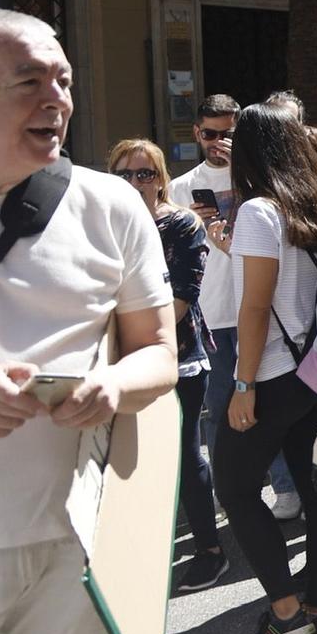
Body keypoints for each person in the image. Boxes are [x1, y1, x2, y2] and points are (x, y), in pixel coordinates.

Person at [0, 9, 178, 634]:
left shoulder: (111, 207)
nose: (56, 98)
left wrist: (114, 385)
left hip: (71, 536)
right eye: (31, 79)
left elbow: (161, 353)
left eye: (64, 79)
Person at [216, 103, 317, 634]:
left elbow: (255, 305)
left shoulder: (258, 211)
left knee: (235, 486)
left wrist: (243, 385)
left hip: (273, 373)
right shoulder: (314, 204)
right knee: (314, 485)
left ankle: (285, 609)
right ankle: (316, 604)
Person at [171, 94, 306, 521]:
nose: (217, 142)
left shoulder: (258, 180)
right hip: (213, 311)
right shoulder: (180, 185)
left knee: (267, 404)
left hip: (255, 305)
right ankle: (222, 488)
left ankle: (286, 488)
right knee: (218, 406)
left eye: (228, 134)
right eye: (209, 134)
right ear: (196, 133)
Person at [111, 138, 228, 594]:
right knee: (127, 461)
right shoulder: (106, 225)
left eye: (144, 174)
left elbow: (180, 300)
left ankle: (209, 551)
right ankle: (140, 555)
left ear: (161, 179)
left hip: (177, 359)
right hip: (118, 363)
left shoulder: (180, 224)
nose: (135, 183)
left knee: (184, 454)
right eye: (124, 175)